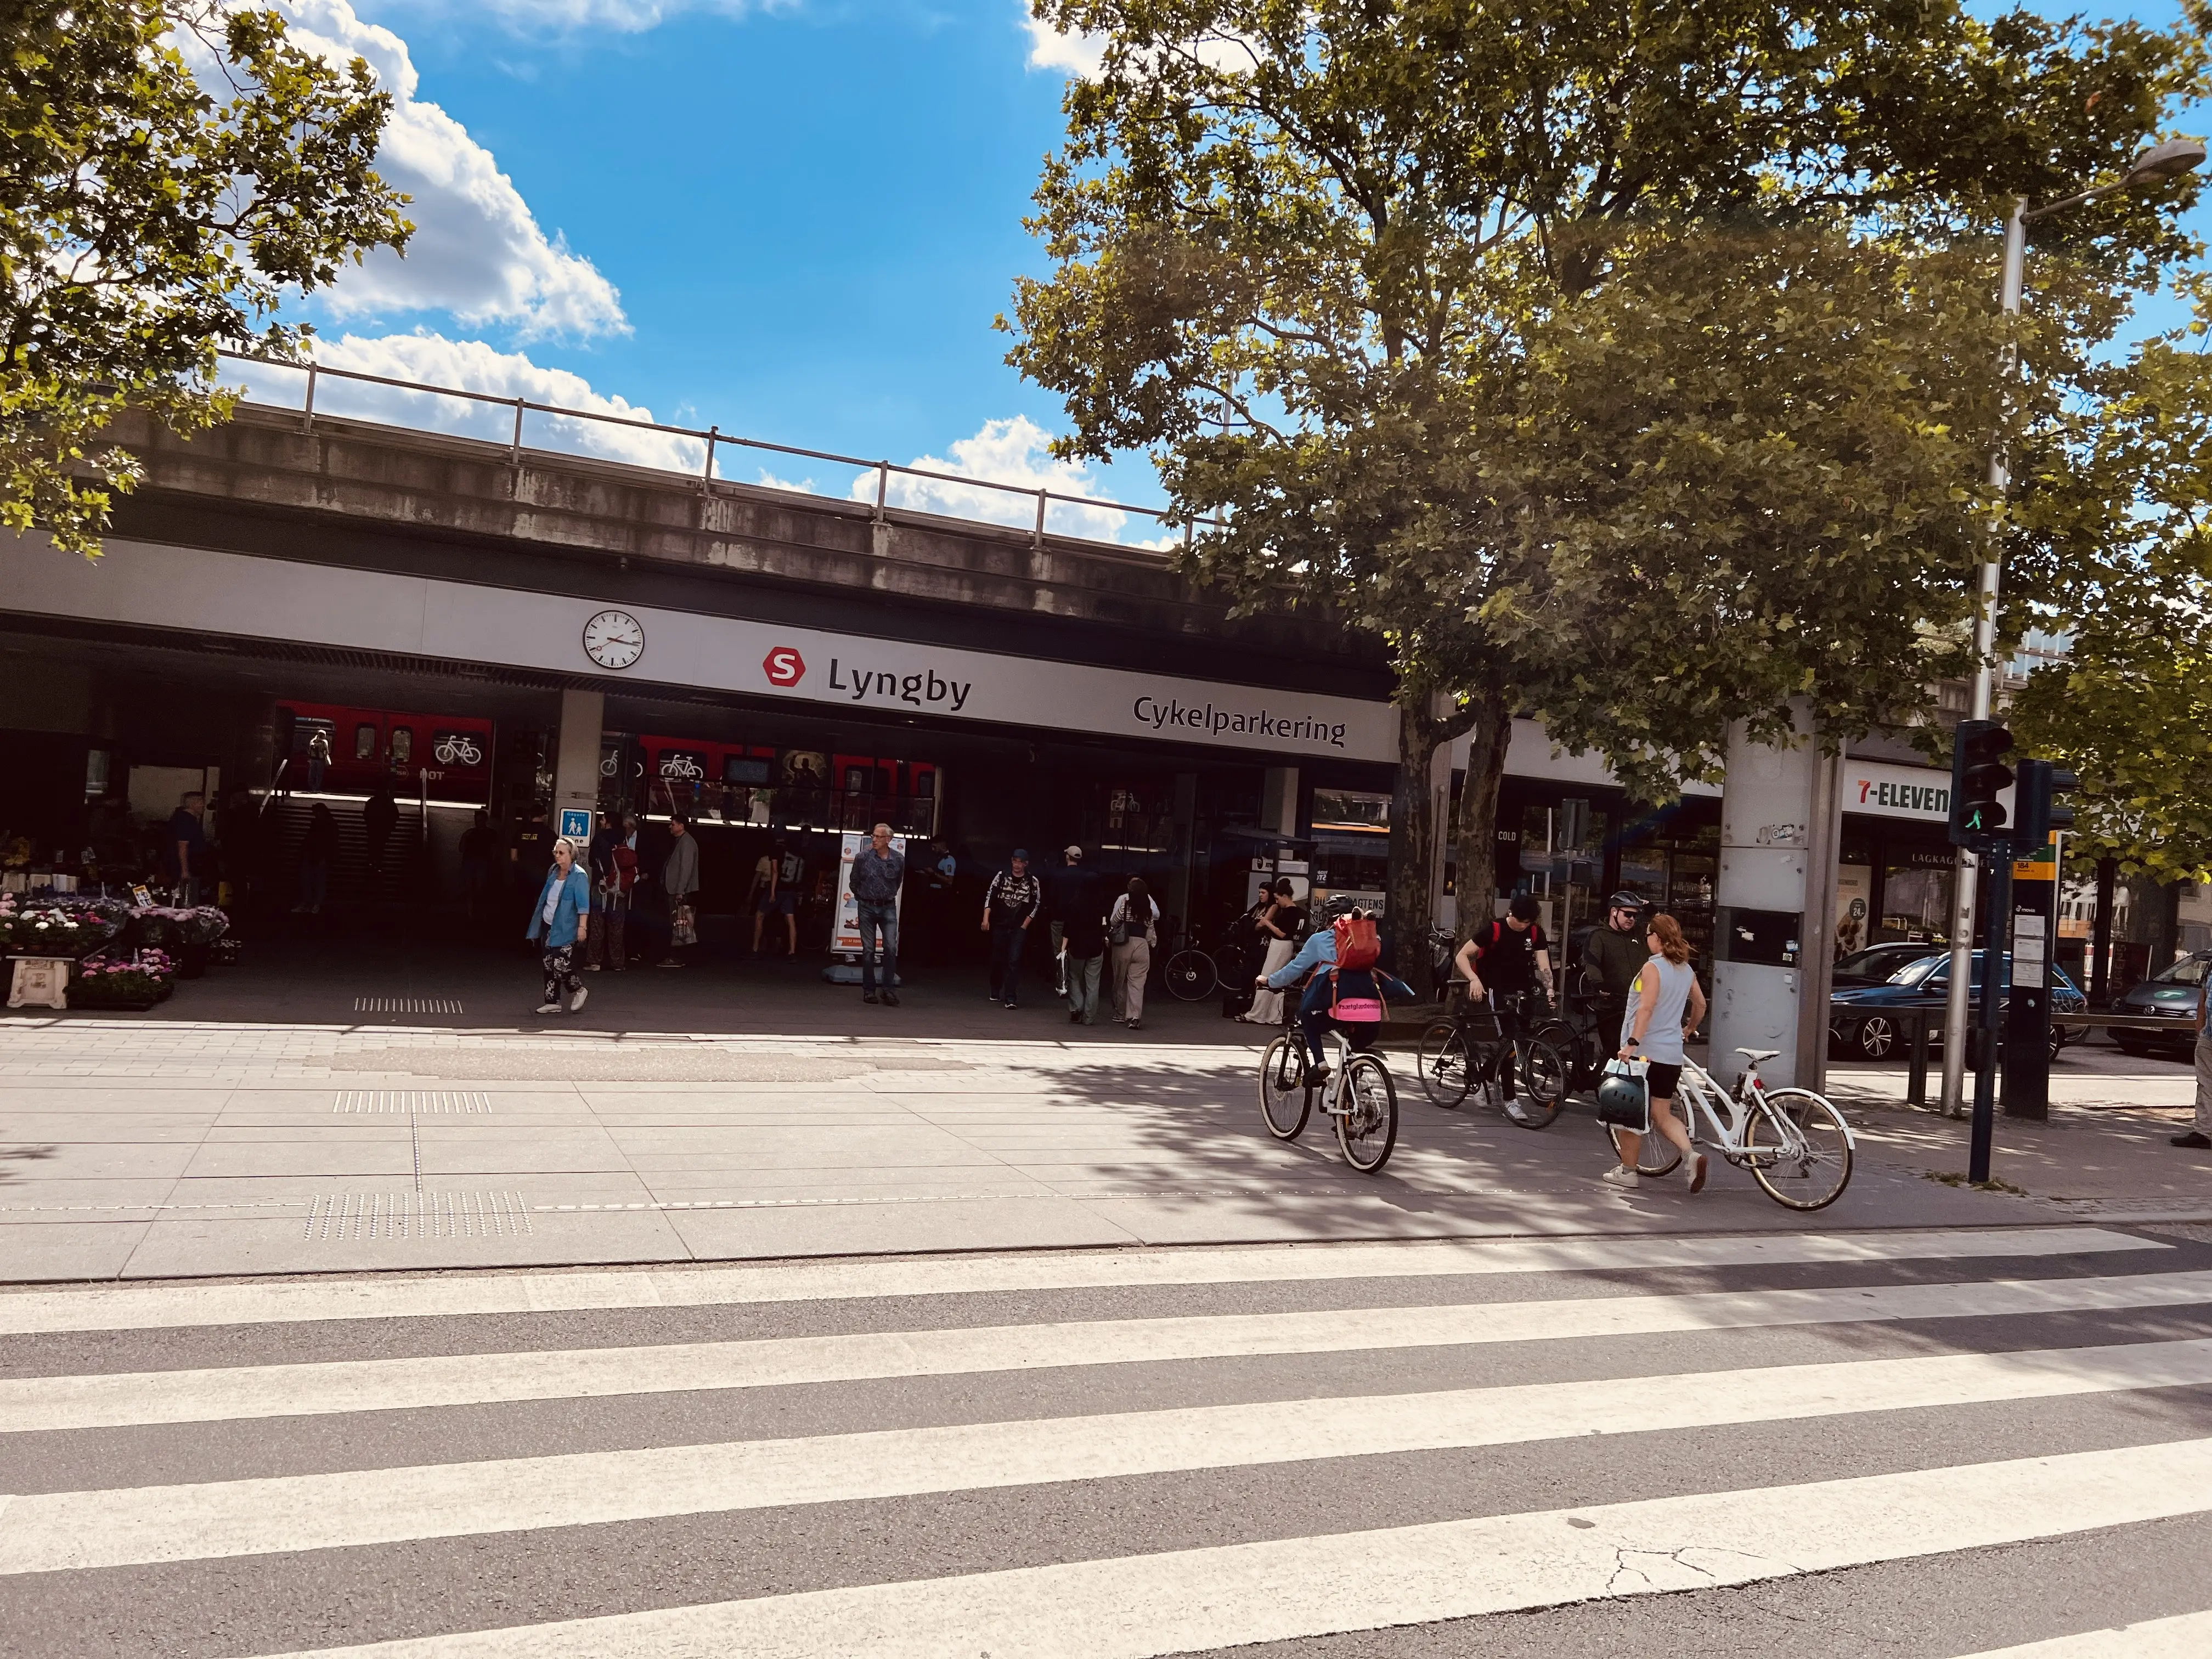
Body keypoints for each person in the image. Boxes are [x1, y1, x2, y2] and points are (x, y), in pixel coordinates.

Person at [1604, 912, 1710, 1192]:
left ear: (1658, 938)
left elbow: (1646, 1008)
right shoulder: (1686, 970)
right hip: (1671, 1055)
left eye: (1649, 934)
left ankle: (1628, 1172)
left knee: (1628, 1112)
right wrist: (1688, 1029)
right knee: (1662, 1114)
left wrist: (1632, 1042)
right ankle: (1691, 1155)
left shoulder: (1653, 968)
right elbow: (1700, 1005)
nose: (1647, 939)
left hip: (1645, 1055)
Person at [1260, 902, 1415, 1082]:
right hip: (1371, 1012)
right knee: (1351, 1047)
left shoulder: (1320, 939)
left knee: (1307, 1016)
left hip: (1338, 1004)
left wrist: (1270, 981)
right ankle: (1349, 1093)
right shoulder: (1370, 938)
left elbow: (1295, 969)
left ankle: (1321, 1064)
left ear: (1329, 918)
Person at [1453, 893, 1556, 1102]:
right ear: (1511, 913)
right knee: (1509, 1039)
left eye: (1527, 922)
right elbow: (1462, 955)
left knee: (1521, 1040)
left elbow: (1544, 965)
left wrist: (1550, 989)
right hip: (1497, 989)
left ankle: (1486, 1075)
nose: (1523, 926)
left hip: (1524, 990)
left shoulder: (1536, 933)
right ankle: (1510, 1100)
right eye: (1520, 921)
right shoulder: (1494, 930)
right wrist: (1474, 979)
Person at [1579, 891, 1650, 1062]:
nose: (1632, 919)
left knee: (1641, 1055)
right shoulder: (1599, 937)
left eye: (1635, 916)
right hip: (1611, 1005)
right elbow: (1592, 964)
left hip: (1638, 1006)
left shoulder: (1638, 937)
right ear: (1614, 912)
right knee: (1616, 1055)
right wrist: (1600, 985)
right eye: (1628, 914)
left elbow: (1658, 927)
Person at [526, 836, 592, 1015]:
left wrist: (582, 927)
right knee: (548, 963)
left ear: (572, 855)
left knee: (560, 963)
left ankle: (578, 990)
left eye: (562, 853)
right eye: (556, 852)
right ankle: (552, 1001)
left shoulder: (579, 876)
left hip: (567, 927)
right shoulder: (553, 871)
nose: (557, 856)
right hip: (549, 923)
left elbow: (583, 904)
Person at [850, 821, 905, 1006]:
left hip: (888, 906)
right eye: (873, 836)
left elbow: (898, 881)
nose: (874, 839)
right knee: (869, 950)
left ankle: (888, 990)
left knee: (891, 948)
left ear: (889, 839)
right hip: (866, 906)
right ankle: (869, 990)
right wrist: (862, 897)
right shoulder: (863, 857)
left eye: (878, 837)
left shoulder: (898, 859)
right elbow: (854, 881)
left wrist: (886, 895)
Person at [1240, 879, 1305, 1024]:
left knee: (1266, 978)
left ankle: (1258, 1014)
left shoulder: (1291, 912)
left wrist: (1267, 922)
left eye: (1277, 898)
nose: (1277, 902)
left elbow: (1283, 933)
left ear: (1284, 896)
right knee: (1277, 980)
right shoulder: (1292, 911)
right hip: (1281, 946)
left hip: (1280, 945)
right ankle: (1273, 1017)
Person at [981, 849, 1041, 1007]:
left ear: (1026, 864)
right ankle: (995, 988)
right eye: (1015, 861)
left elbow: (1036, 904)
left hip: (1018, 927)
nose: (1017, 865)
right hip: (1001, 924)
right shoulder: (1001, 877)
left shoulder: (1032, 881)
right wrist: (986, 919)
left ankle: (1010, 997)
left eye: (1020, 862)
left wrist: (1025, 925)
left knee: (1014, 960)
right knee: (997, 959)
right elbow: (990, 897)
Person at [1108, 876, 1160, 1029]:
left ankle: (1120, 1013)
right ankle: (1134, 1016)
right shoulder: (1148, 911)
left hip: (1124, 944)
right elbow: (1151, 930)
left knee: (1120, 980)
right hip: (1142, 946)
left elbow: (1113, 922)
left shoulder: (1125, 906)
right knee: (1137, 983)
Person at [2174, 966, 2212, 1150]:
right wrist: (2201, 1023)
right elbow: (2204, 994)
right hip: (2210, 1036)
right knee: (2205, 1084)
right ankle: (2203, 1133)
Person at [1063, 867, 1108, 1025]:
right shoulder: (1101, 904)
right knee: (1093, 984)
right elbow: (1104, 925)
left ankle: (1077, 1007)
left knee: (1074, 977)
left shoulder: (1075, 903)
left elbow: (1068, 927)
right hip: (1096, 948)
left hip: (1077, 947)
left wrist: (1063, 947)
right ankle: (1089, 1017)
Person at [1043, 845, 1088, 997]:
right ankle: (1077, 983)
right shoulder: (1085, 877)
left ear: (1067, 857)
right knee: (1077, 952)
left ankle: (1063, 984)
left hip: (1059, 919)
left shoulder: (1058, 876)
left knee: (1060, 951)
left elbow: (1051, 898)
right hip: (1079, 922)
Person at [656, 815, 698, 968]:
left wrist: (680, 891)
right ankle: (679, 955)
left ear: (681, 826)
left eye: (673, 824)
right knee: (680, 922)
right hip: (676, 889)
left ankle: (677, 956)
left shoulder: (686, 843)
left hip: (678, 891)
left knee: (679, 923)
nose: (670, 827)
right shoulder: (682, 842)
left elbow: (685, 869)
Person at [295, 802, 337, 915]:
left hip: (315, 855)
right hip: (316, 855)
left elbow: (328, 842)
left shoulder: (321, 824)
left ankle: (310, 903)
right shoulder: (329, 824)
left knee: (312, 880)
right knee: (317, 881)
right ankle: (314, 904)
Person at [166, 791, 206, 905]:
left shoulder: (185, 819)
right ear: (193, 804)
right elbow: (183, 845)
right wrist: (185, 870)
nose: (204, 806)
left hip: (187, 865)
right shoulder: (186, 821)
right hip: (186, 866)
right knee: (187, 898)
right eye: (201, 802)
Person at [459, 810, 496, 927]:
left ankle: (475, 915)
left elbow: (461, 848)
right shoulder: (490, 833)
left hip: (478, 863)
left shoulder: (470, 833)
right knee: (476, 889)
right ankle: (476, 915)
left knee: (479, 890)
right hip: (477, 863)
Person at [362, 783, 399, 900]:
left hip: (373, 829)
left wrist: (369, 823)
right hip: (383, 830)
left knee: (372, 845)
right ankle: (377, 863)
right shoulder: (389, 803)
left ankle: (371, 862)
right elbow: (396, 816)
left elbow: (366, 814)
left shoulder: (372, 802)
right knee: (380, 846)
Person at [305, 727, 331, 792]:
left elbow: (310, 750)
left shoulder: (312, 741)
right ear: (323, 735)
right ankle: (317, 788)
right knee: (319, 774)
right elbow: (327, 752)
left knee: (312, 774)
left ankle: (311, 787)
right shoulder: (324, 742)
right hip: (320, 760)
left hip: (313, 760)